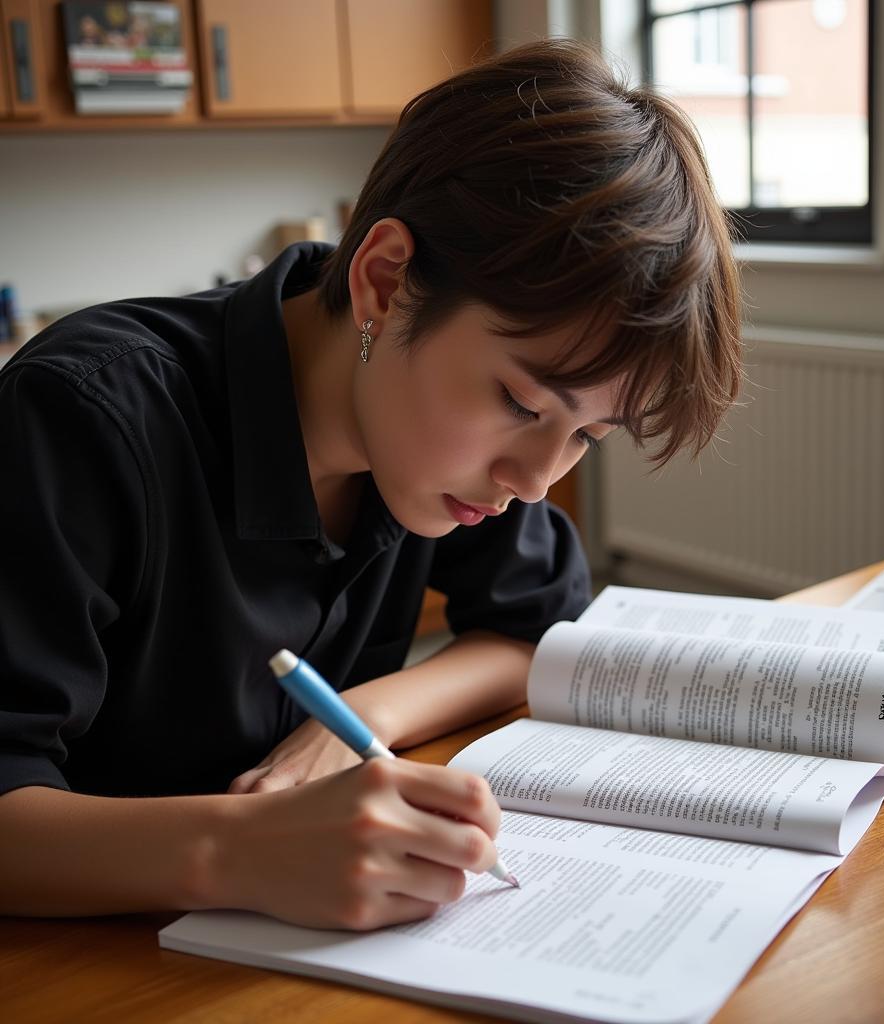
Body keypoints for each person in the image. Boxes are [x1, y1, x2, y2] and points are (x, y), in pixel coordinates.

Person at [0, 39, 741, 930]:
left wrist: (357, 713)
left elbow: (531, 630)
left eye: (587, 434)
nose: (535, 481)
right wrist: (242, 848)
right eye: (519, 401)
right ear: (385, 282)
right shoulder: (82, 417)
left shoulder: (443, 445)